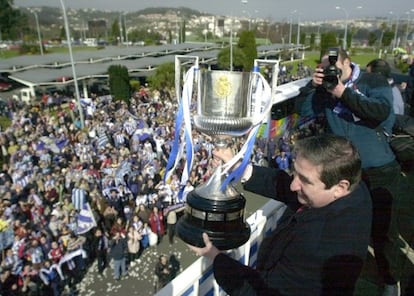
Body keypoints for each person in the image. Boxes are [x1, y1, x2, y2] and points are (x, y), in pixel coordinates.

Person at [189, 134, 372, 295]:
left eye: (305, 181)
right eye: (295, 174)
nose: (293, 185)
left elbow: (258, 291)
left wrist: (216, 257)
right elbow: (287, 187)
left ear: (340, 187)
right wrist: (239, 168)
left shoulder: (315, 246)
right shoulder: (354, 187)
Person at [299, 48, 402, 295]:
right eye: (325, 70)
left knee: (384, 231)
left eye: (335, 69)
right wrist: (312, 87)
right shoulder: (323, 89)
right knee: (343, 228)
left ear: (347, 63)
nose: (331, 74)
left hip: (379, 169)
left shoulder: (372, 81)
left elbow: (378, 112)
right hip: (344, 170)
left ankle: (390, 280)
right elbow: (303, 112)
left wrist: (342, 92)